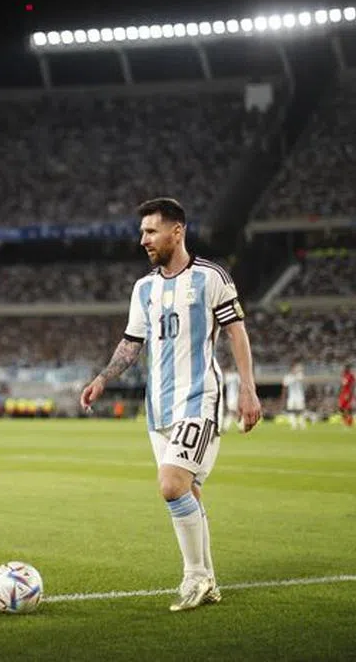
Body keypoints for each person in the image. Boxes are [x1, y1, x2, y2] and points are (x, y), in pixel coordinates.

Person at [80, 197, 262, 612]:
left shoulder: (211, 277)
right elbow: (132, 343)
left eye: (150, 231)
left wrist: (249, 389)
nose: (142, 239)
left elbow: (237, 333)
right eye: (142, 231)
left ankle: (194, 577)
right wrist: (103, 378)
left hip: (199, 400)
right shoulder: (143, 289)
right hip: (158, 410)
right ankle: (208, 583)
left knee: (171, 485)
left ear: (176, 231)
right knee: (188, 494)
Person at [281, 361, 308, 429]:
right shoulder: (288, 377)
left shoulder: (300, 375)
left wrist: (297, 374)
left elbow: (302, 380)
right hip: (291, 397)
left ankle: (302, 424)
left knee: (301, 410)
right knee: (291, 411)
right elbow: (284, 385)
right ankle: (293, 424)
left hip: (300, 396)